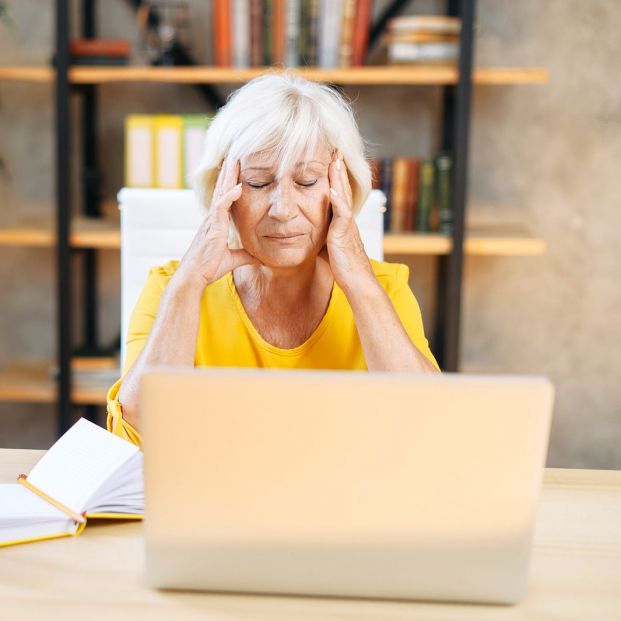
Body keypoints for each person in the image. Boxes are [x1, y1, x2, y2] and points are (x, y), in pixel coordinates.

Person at [107, 71, 440, 448]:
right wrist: (190, 282)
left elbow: (426, 423)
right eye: (258, 183)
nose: (282, 210)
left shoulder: (383, 289)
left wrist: (360, 281)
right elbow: (136, 431)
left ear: (342, 185)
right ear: (222, 190)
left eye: (307, 182)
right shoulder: (172, 286)